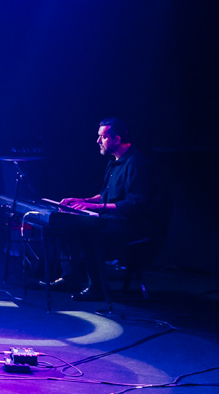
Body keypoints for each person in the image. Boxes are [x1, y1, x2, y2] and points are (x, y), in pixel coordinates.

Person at [56, 117, 157, 300]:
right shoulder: (113, 162)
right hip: (113, 218)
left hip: (131, 223)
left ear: (116, 139)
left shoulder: (134, 163)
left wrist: (95, 206)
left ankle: (97, 288)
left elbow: (134, 204)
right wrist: (81, 200)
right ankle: (71, 278)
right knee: (67, 225)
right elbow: (105, 196)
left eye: (102, 137)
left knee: (88, 231)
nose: (98, 141)